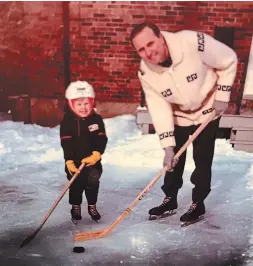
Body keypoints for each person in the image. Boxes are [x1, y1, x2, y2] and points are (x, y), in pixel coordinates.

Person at [130, 22, 237, 223]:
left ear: (161, 37)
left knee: (202, 158)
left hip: (208, 111)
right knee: (173, 161)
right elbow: (159, 108)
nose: (148, 52)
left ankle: (198, 202)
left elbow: (228, 60)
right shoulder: (146, 73)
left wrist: (222, 95)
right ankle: (170, 198)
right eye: (141, 50)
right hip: (178, 116)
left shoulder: (191, 41)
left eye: (150, 43)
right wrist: (168, 146)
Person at [60, 80, 108, 223]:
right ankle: (76, 206)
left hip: (93, 161)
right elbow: (66, 142)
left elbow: (102, 138)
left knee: (93, 182)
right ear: (71, 104)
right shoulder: (67, 122)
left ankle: (92, 205)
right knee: (76, 184)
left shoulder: (96, 119)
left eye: (86, 103)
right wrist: (68, 160)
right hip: (74, 161)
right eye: (79, 104)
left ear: (92, 102)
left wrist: (97, 153)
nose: (83, 107)